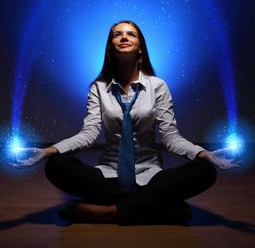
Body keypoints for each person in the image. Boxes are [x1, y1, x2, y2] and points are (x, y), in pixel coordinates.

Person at [15, 20, 240, 225]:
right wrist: (47, 151)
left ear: (140, 47)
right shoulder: (99, 88)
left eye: (131, 34)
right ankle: (160, 209)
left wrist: (205, 154)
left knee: (205, 170)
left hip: (150, 176)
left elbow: (171, 138)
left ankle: (109, 212)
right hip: (109, 176)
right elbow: (89, 133)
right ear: (110, 46)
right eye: (117, 35)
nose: (124, 38)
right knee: (56, 165)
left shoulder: (158, 86)